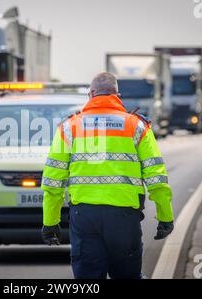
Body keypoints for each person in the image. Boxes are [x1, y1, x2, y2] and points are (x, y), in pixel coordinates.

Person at [40, 72, 174, 279]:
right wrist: (165, 217)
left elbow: (53, 181)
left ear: (91, 94)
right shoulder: (136, 126)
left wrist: (50, 222)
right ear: (117, 95)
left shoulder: (70, 127)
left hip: (84, 217)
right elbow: (156, 176)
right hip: (124, 217)